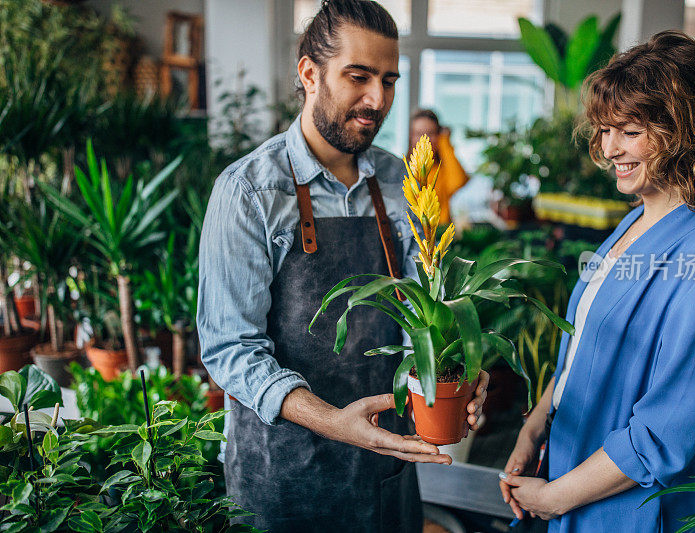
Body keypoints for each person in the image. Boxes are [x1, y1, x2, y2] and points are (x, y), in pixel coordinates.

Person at [197, 2, 489, 532]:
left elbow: (425, 308)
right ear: (310, 74)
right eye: (358, 77)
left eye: (388, 81)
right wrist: (333, 421)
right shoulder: (249, 192)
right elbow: (228, 349)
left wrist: (457, 368)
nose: (377, 100)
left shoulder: (400, 180)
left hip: (388, 466)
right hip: (283, 481)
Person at [498, 31, 695, 532]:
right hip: (570, 476)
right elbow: (586, 349)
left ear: (685, 130)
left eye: (630, 131)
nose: (608, 148)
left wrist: (555, 497)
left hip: (628, 512)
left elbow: (663, 432)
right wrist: (535, 427)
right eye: (603, 130)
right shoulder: (633, 222)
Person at [408, 109, 469, 224]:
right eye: (418, 134)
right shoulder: (403, 169)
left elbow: (458, 181)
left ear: (438, 135)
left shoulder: (442, 170)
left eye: (430, 134)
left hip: (439, 235)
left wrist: (445, 141)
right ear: (411, 137)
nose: (424, 139)